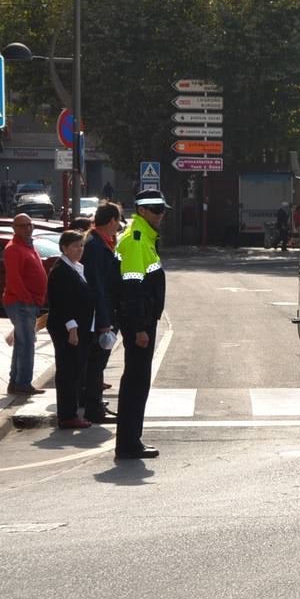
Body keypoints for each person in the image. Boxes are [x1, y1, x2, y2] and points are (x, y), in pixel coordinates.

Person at [114, 189, 170, 461]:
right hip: (140, 323)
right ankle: (128, 443)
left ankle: (130, 440)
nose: (161, 215)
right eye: (156, 210)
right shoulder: (137, 239)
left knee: (137, 382)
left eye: (163, 210)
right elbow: (132, 288)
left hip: (144, 321)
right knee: (136, 383)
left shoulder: (144, 237)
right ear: (143, 211)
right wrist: (138, 328)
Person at [46, 231, 97, 429]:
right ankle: (67, 415)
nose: (80, 250)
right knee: (68, 372)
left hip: (80, 327)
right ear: (64, 248)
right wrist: (72, 329)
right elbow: (62, 303)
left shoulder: (76, 268)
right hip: (67, 329)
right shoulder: (61, 271)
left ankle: (70, 412)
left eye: (81, 246)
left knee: (75, 371)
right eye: (75, 246)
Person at [82, 202, 123, 425]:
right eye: (118, 220)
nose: (119, 226)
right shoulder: (96, 246)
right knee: (97, 361)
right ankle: (93, 407)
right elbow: (98, 285)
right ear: (111, 221)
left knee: (97, 362)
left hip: (102, 311)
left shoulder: (100, 242)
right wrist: (105, 320)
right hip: (99, 314)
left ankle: (94, 402)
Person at [2, 214, 48, 396]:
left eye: (30, 225)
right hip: (20, 303)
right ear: (14, 228)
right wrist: (28, 299)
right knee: (27, 343)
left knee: (22, 343)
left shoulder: (28, 246)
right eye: (23, 226)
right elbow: (14, 279)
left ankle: (16, 382)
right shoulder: (13, 249)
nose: (28, 229)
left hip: (27, 302)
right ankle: (23, 383)